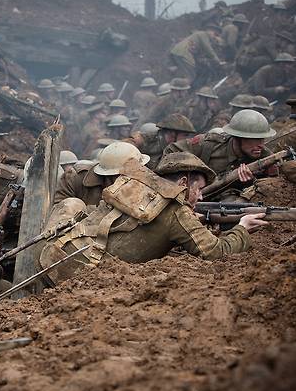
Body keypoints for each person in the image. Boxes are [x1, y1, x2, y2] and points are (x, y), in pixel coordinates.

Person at [38, 153, 266, 284]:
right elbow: (216, 252)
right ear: (183, 183)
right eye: (198, 189)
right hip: (80, 279)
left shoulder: (133, 189)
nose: (201, 196)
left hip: (54, 257)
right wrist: (242, 228)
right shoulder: (176, 211)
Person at [162, 109, 277, 200]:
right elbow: (171, 151)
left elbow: (275, 188)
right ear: (238, 137)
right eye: (255, 139)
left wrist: (252, 182)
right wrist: (190, 178)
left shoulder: (266, 158)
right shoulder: (209, 144)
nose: (261, 145)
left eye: (262, 139)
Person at [54, 142, 149, 206]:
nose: (134, 176)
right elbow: (59, 211)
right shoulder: (76, 178)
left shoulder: (146, 181)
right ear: (112, 174)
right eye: (127, 173)